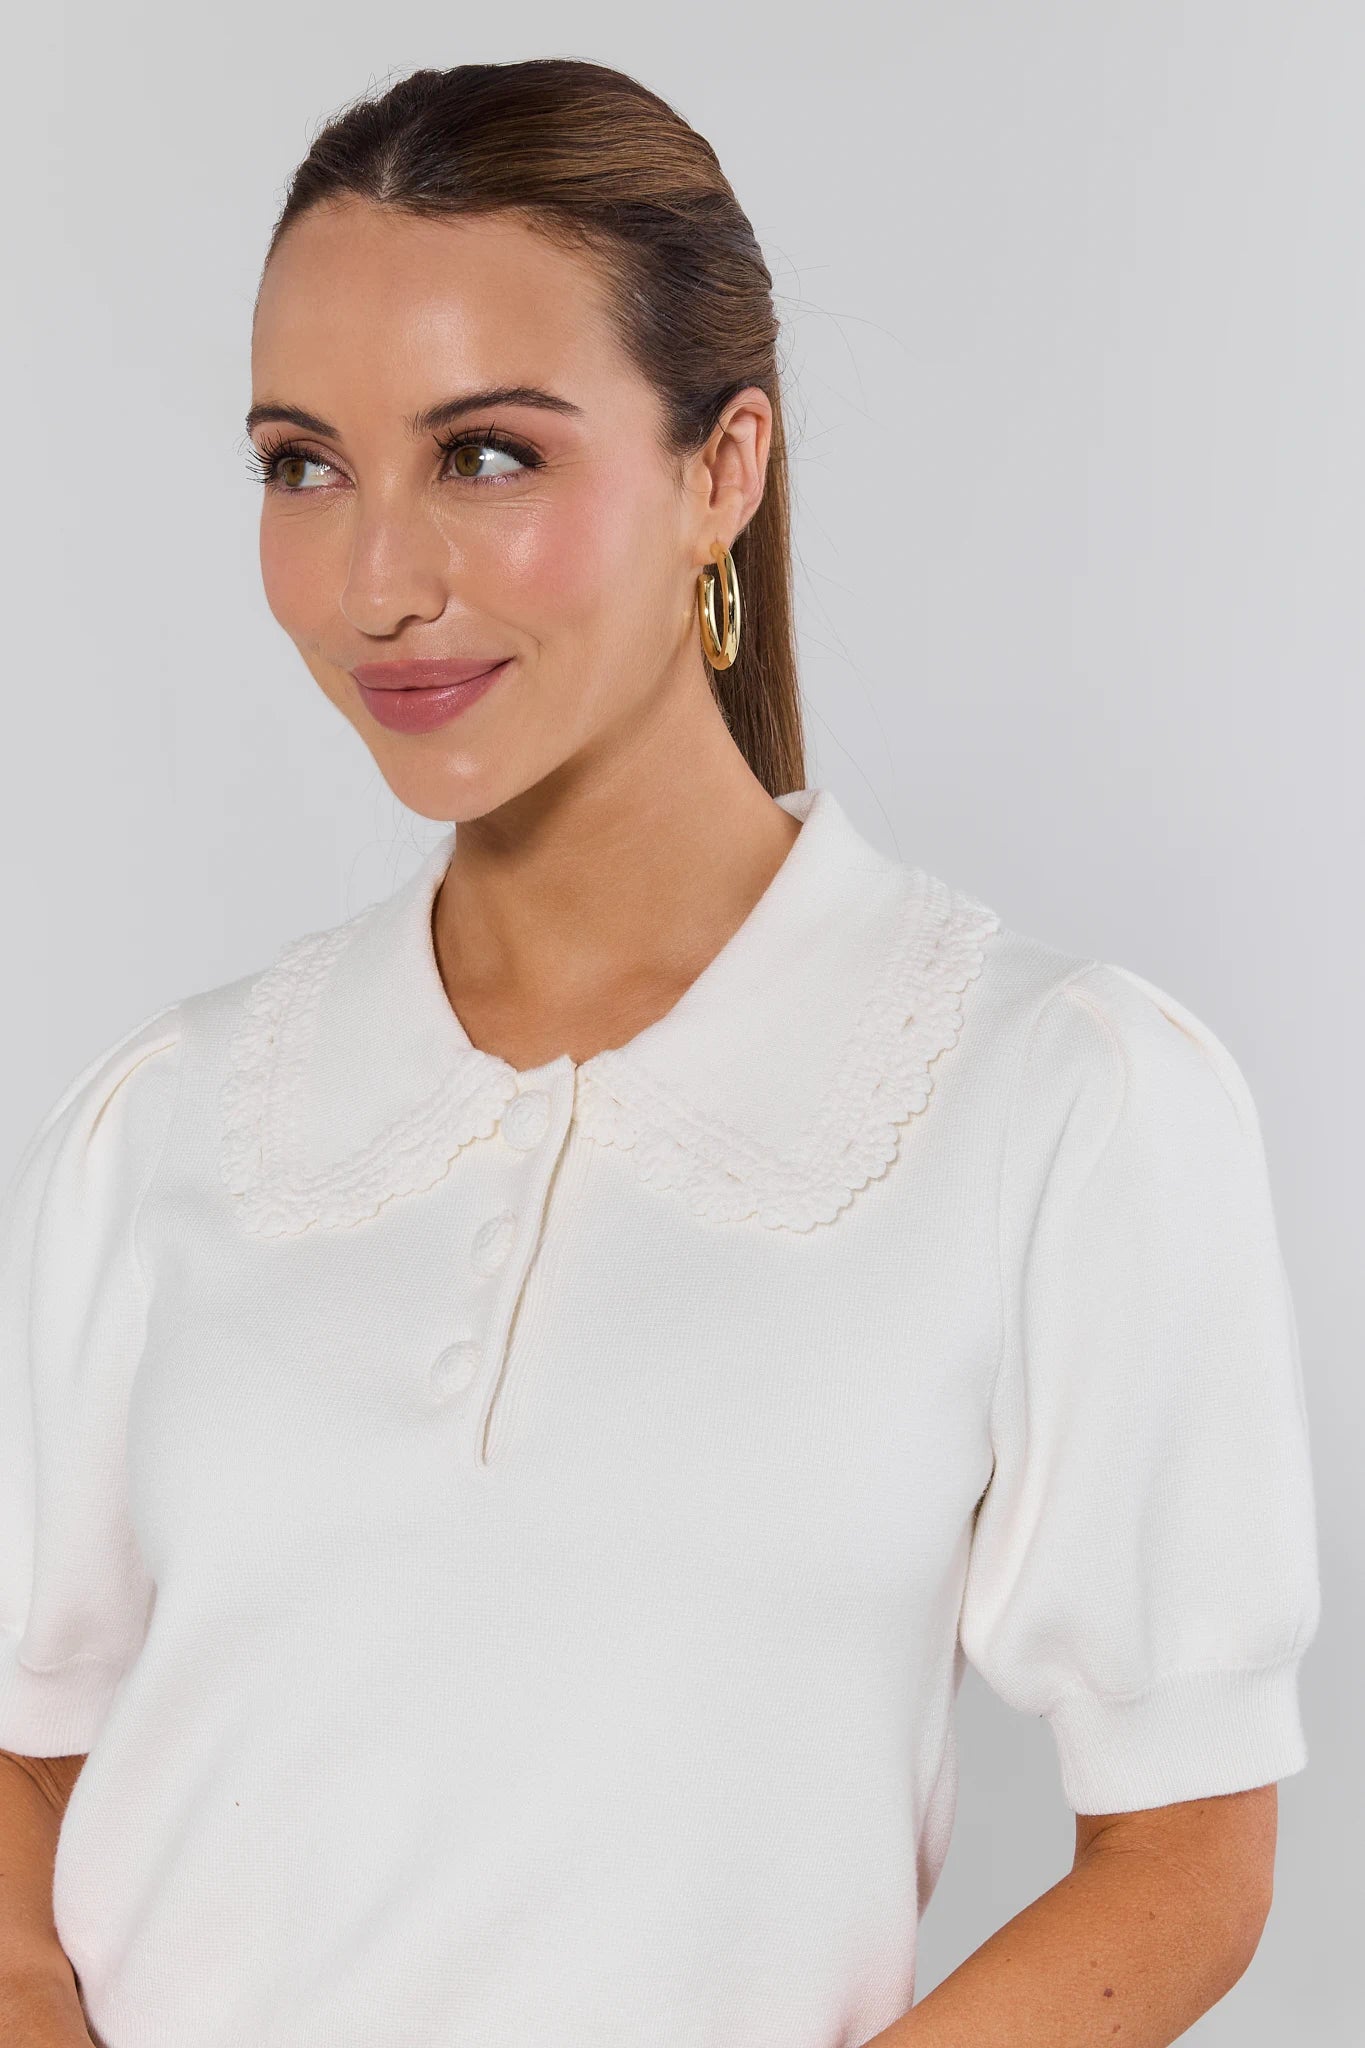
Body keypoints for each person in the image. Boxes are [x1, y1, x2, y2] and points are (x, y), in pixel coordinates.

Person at [0, 56, 1320, 2048]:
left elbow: (1185, 1861)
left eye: (487, 456)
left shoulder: (1054, 1100)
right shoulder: (167, 1125)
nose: (378, 579)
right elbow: (28, 1754)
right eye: (301, 462)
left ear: (722, 464)